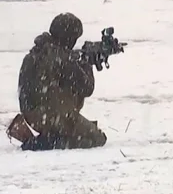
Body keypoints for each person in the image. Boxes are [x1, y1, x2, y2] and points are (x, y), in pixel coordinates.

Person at [8, 12, 108, 151]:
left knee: (79, 130)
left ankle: (51, 137)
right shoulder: (60, 58)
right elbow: (87, 88)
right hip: (52, 116)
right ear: (68, 38)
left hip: (33, 115)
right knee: (97, 138)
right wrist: (87, 63)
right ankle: (45, 143)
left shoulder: (37, 52)